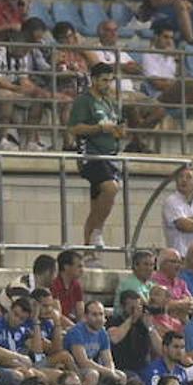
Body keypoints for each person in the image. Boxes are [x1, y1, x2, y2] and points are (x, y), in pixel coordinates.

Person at [68, 63, 124, 254]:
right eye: (104, 80)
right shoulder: (84, 101)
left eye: (110, 80)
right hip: (91, 155)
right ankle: (98, 231)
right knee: (111, 188)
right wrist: (100, 128)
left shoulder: (109, 102)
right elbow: (75, 128)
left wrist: (118, 132)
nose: (107, 84)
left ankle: (88, 250)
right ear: (94, 79)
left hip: (110, 156)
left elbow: (115, 125)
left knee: (96, 206)